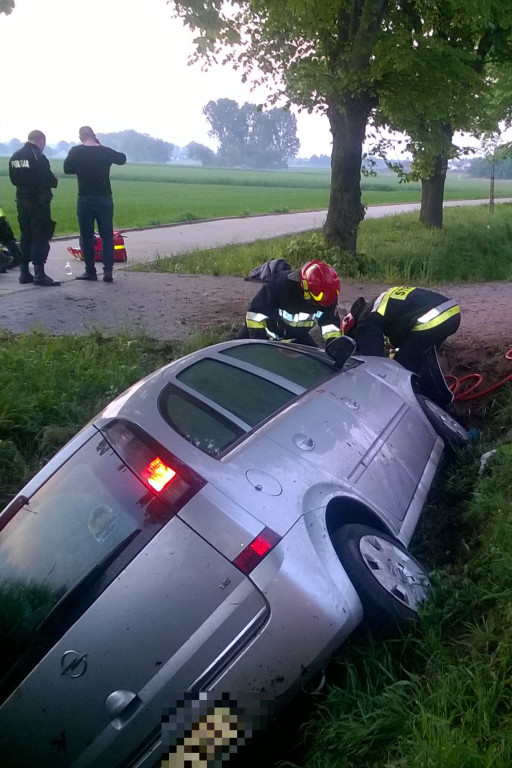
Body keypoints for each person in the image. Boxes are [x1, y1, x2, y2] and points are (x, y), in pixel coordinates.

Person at [342, 286, 461, 374]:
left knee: (400, 367)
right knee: (419, 356)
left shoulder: (365, 319)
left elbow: (373, 360)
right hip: (452, 313)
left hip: (432, 320)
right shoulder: (376, 304)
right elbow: (401, 329)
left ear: (354, 329)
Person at [63, 126, 126, 283]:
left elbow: (67, 169)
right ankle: (108, 272)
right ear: (94, 135)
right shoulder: (105, 151)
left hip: (85, 198)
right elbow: (122, 158)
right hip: (104, 198)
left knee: (86, 236)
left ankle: (90, 271)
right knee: (106, 235)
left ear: (80, 137)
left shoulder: (76, 152)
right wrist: (101, 148)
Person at [240, 259, 343, 347]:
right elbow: (254, 317)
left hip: (295, 338)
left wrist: (335, 345)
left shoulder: (327, 296)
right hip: (264, 337)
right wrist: (260, 346)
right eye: (318, 297)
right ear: (305, 286)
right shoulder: (279, 287)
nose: (320, 303)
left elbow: (331, 326)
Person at [8, 130, 60, 286]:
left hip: (21, 201)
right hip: (38, 202)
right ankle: (39, 273)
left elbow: (13, 179)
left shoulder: (15, 157)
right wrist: (54, 180)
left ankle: (24, 272)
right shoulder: (39, 157)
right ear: (41, 141)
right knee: (40, 236)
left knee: (26, 235)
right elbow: (48, 179)